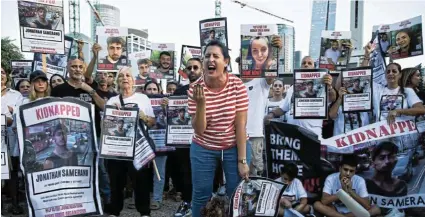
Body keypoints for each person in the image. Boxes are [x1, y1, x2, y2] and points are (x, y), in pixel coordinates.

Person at [188, 40, 251, 217]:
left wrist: (242, 161)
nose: (210, 60)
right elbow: (199, 130)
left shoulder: (237, 85)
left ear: (226, 62)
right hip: (203, 146)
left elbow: (240, 125)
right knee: (201, 194)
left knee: (236, 194)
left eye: (216, 56)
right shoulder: (195, 88)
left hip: (233, 146)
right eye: (207, 56)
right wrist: (201, 104)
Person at [105, 66, 155, 217]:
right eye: (121, 76)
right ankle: (115, 211)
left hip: (137, 149)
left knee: (141, 182)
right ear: (117, 81)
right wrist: (111, 113)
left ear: (133, 80)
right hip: (117, 149)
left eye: (128, 76)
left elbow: (152, 122)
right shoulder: (112, 100)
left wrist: (143, 117)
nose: (125, 78)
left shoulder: (143, 98)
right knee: (116, 182)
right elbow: (105, 126)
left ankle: (144, 212)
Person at [265, 56, 335, 140]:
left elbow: (332, 98)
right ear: (300, 67)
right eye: (304, 63)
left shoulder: (322, 86)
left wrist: (330, 87)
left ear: (314, 67)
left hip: (313, 135)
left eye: (309, 63)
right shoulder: (292, 88)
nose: (306, 65)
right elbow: (283, 109)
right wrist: (271, 114)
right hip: (293, 136)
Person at [172, 57, 204, 217]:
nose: (192, 70)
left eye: (195, 67)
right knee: (185, 171)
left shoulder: (211, 88)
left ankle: (205, 203)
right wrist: (167, 105)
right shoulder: (178, 92)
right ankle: (187, 202)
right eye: (189, 68)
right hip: (183, 139)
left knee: (205, 172)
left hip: (204, 137)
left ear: (202, 69)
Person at [313, 154, 381, 217]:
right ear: (340, 169)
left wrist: (350, 191)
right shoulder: (331, 178)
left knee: (375, 208)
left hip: (354, 211)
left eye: (351, 171)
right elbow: (324, 201)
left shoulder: (360, 180)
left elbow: (367, 206)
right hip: (335, 210)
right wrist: (343, 192)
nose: (348, 174)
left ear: (355, 172)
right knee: (317, 204)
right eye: (345, 170)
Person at [1, 66, 24, 215]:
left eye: (2, 72)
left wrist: (11, 114)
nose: (0, 75)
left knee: (12, 171)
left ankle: (15, 203)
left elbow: (17, 114)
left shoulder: (16, 95)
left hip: (11, 139)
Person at [366, 142, 407, 216]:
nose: (387, 161)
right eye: (382, 158)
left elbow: (405, 209)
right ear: (372, 163)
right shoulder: (365, 186)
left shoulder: (401, 186)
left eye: (391, 156)